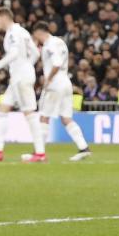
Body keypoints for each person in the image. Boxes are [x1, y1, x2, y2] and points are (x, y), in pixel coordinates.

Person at [0, 7, 46, 163]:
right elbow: (36, 53)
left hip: (21, 77)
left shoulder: (13, 32)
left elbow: (15, 53)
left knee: (29, 113)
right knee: (3, 108)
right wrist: (27, 67)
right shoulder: (22, 32)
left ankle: (40, 152)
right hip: (19, 76)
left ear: (4, 17)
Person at [32, 24, 92, 162]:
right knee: (66, 118)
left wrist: (48, 79)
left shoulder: (49, 44)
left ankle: (39, 152)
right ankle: (83, 148)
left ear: (39, 33)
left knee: (44, 117)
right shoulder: (60, 42)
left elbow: (57, 63)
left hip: (55, 85)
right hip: (66, 83)